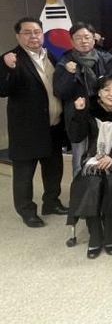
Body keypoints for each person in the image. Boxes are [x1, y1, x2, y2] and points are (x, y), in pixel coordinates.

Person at [0, 17, 67, 227]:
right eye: (27, 32)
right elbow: (2, 90)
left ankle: (51, 202)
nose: (33, 36)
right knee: (24, 174)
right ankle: (27, 211)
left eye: (37, 32)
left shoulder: (51, 56)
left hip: (53, 126)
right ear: (18, 36)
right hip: (26, 130)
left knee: (54, 169)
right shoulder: (10, 58)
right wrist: (9, 68)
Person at [67, 75, 112, 258]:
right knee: (92, 183)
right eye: (107, 90)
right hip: (93, 162)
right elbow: (76, 136)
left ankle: (110, 231)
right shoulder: (89, 111)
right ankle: (95, 233)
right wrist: (79, 113)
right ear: (99, 93)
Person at [53, 22, 112, 177]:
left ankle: (102, 188)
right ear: (71, 41)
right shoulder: (64, 61)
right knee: (80, 159)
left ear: (94, 39)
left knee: (105, 156)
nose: (83, 41)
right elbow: (60, 91)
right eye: (78, 38)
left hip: (103, 116)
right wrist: (69, 74)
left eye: (87, 37)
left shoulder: (106, 58)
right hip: (78, 117)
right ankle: (80, 188)